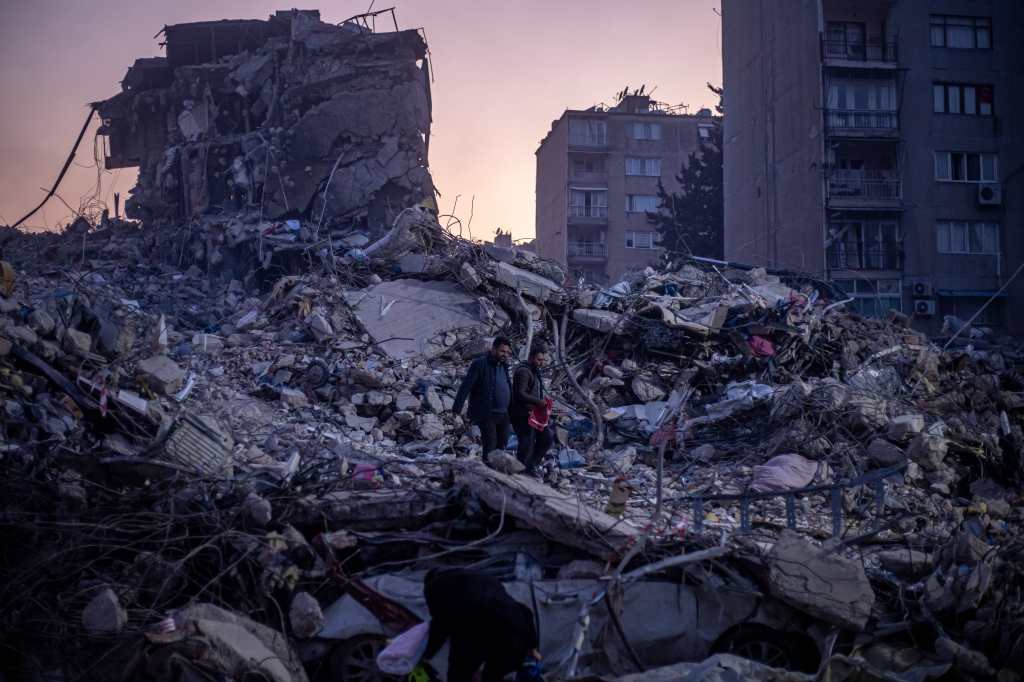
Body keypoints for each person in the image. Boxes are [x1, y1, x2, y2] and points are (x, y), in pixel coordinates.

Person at [422, 568, 541, 682]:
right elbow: (525, 611)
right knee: (492, 676)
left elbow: (440, 624)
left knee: (459, 674)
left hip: (478, 628)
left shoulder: (433, 586)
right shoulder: (485, 578)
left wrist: (427, 654)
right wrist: (532, 645)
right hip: (515, 633)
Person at [452, 337, 513, 454]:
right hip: (486, 412)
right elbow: (466, 386)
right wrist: (457, 408)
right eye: (502, 351)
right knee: (490, 443)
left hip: (503, 413)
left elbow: (508, 387)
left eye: (507, 352)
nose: (505, 354)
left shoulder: (504, 366)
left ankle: (497, 464)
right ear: (493, 349)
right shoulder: (480, 364)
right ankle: (488, 465)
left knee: (503, 442)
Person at [510, 344, 553, 475]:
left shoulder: (533, 371)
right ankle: (520, 470)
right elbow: (520, 393)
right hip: (522, 414)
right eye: (539, 360)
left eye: (543, 360)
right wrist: (539, 402)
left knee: (546, 439)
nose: (541, 363)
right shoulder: (524, 372)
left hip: (533, 413)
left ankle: (530, 465)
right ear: (530, 358)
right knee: (526, 443)